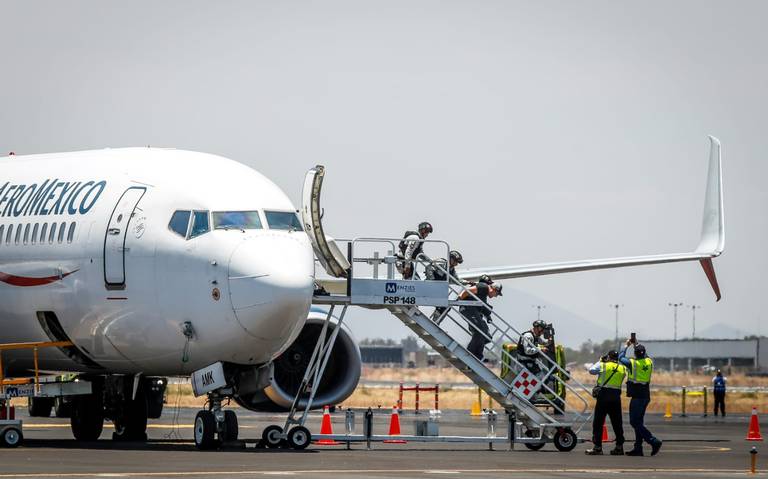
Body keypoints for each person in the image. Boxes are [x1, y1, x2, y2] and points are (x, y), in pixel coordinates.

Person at [619, 340, 662, 456]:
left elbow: (620, 357)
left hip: (637, 396)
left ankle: (653, 441)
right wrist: (636, 344)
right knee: (639, 422)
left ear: (636, 354)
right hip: (645, 396)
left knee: (634, 422)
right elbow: (645, 354)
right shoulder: (649, 361)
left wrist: (626, 345)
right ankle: (638, 448)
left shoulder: (633, 364)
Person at [585, 350, 626, 456]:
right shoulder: (622, 368)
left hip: (604, 396)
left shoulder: (603, 365)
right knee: (617, 423)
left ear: (608, 357)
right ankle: (619, 447)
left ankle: (598, 447)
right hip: (616, 397)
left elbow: (591, 370)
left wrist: (600, 361)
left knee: (598, 422)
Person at [457, 274, 502, 360]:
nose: (495, 296)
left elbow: (482, 307)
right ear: (494, 289)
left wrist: (488, 316)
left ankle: (478, 356)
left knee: (487, 335)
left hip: (473, 311)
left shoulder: (483, 294)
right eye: (497, 294)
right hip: (468, 310)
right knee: (480, 330)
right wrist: (460, 298)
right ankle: (469, 355)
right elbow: (467, 291)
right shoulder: (483, 287)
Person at [427, 250, 464, 323]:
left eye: (457, 262)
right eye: (455, 261)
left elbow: (456, 280)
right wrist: (432, 280)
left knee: (446, 306)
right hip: (430, 287)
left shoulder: (452, 270)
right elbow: (429, 267)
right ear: (450, 258)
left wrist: (468, 282)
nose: (456, 264)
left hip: (439, 290)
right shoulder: (441, 262)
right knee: (442, 305)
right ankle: (435, 322)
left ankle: (436, 322)